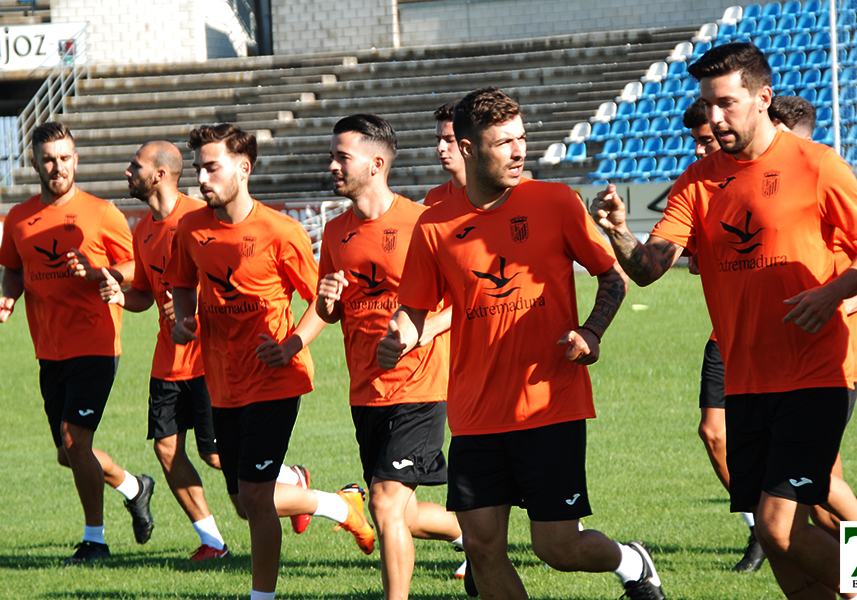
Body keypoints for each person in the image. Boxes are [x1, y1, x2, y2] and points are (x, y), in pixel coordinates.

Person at [591, 43, 857, 600]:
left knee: (780, 528)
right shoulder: (697, 181)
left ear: (763, 99)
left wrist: (835, 292)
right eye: (707, 104)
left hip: (813, 374)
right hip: (746, 381)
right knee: (778, 535)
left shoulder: (816, 164)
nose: (713, 118)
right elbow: (649, 269)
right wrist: (618, 230)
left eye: (726, 104)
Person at [380, 87, 664, 600]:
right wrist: (397, 335)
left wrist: (591, 332)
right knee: (483, 550)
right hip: (475, 410)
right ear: (468, 149)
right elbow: (415, 311)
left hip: (547, 405)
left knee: (557, 549)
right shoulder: (434, 226)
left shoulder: (554, 201)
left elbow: (615, 276)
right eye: (503, 141)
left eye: (522, 138)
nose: (518, 151)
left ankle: (632, 561)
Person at [164, 123, 373, 600]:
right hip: (222, 382)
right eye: (198, 168)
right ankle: (339, 506)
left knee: (256, 498)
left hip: (276, 381)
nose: (201, 179)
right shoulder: (191, 229)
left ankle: (262, 597)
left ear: (243, 168)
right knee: (243, 502)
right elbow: (180, 283)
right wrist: (184, 319)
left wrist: (291, 346)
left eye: (212, 168)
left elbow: (323, 304)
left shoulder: (281, 232)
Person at [0, 121, 154, 565]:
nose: (57, 166)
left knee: (74, 438)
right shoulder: (19, 218)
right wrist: (9, 295)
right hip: (49, 349)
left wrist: (102, 274)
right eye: (48, 159)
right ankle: (134, 487)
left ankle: (95, 541)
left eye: (64, 158)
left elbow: (137, 270)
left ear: (76, 160)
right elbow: (14, 267)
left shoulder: (102, 213)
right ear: (34, 163)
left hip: (97, 342)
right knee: (69, 453)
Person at [317, 114, 465, 599]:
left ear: (376, 164)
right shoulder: (335, 231)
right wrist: (327, 300)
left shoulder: (422, 223)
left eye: (343, 156)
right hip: (366, 390)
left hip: (420, 388)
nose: (333, 165)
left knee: (383, 503)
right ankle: (474, 533)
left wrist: (417, 336)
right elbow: (334, 314)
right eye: (333, 155)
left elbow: (462, 305)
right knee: (400, 512)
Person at [681, 97, 766, 573]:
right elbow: (685, 258)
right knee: (714, 432)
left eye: (706, 141)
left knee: (822, 485)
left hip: (792, 342)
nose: (699, 150)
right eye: (695, 142)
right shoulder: (700, 188)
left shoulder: (789, 176)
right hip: (726, 338)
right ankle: (760, 529)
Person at [423, 99, 466, 207]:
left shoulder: (497, 194)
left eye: (449, 140)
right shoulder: (434, 198)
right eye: (438, 140)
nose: (440, 148)